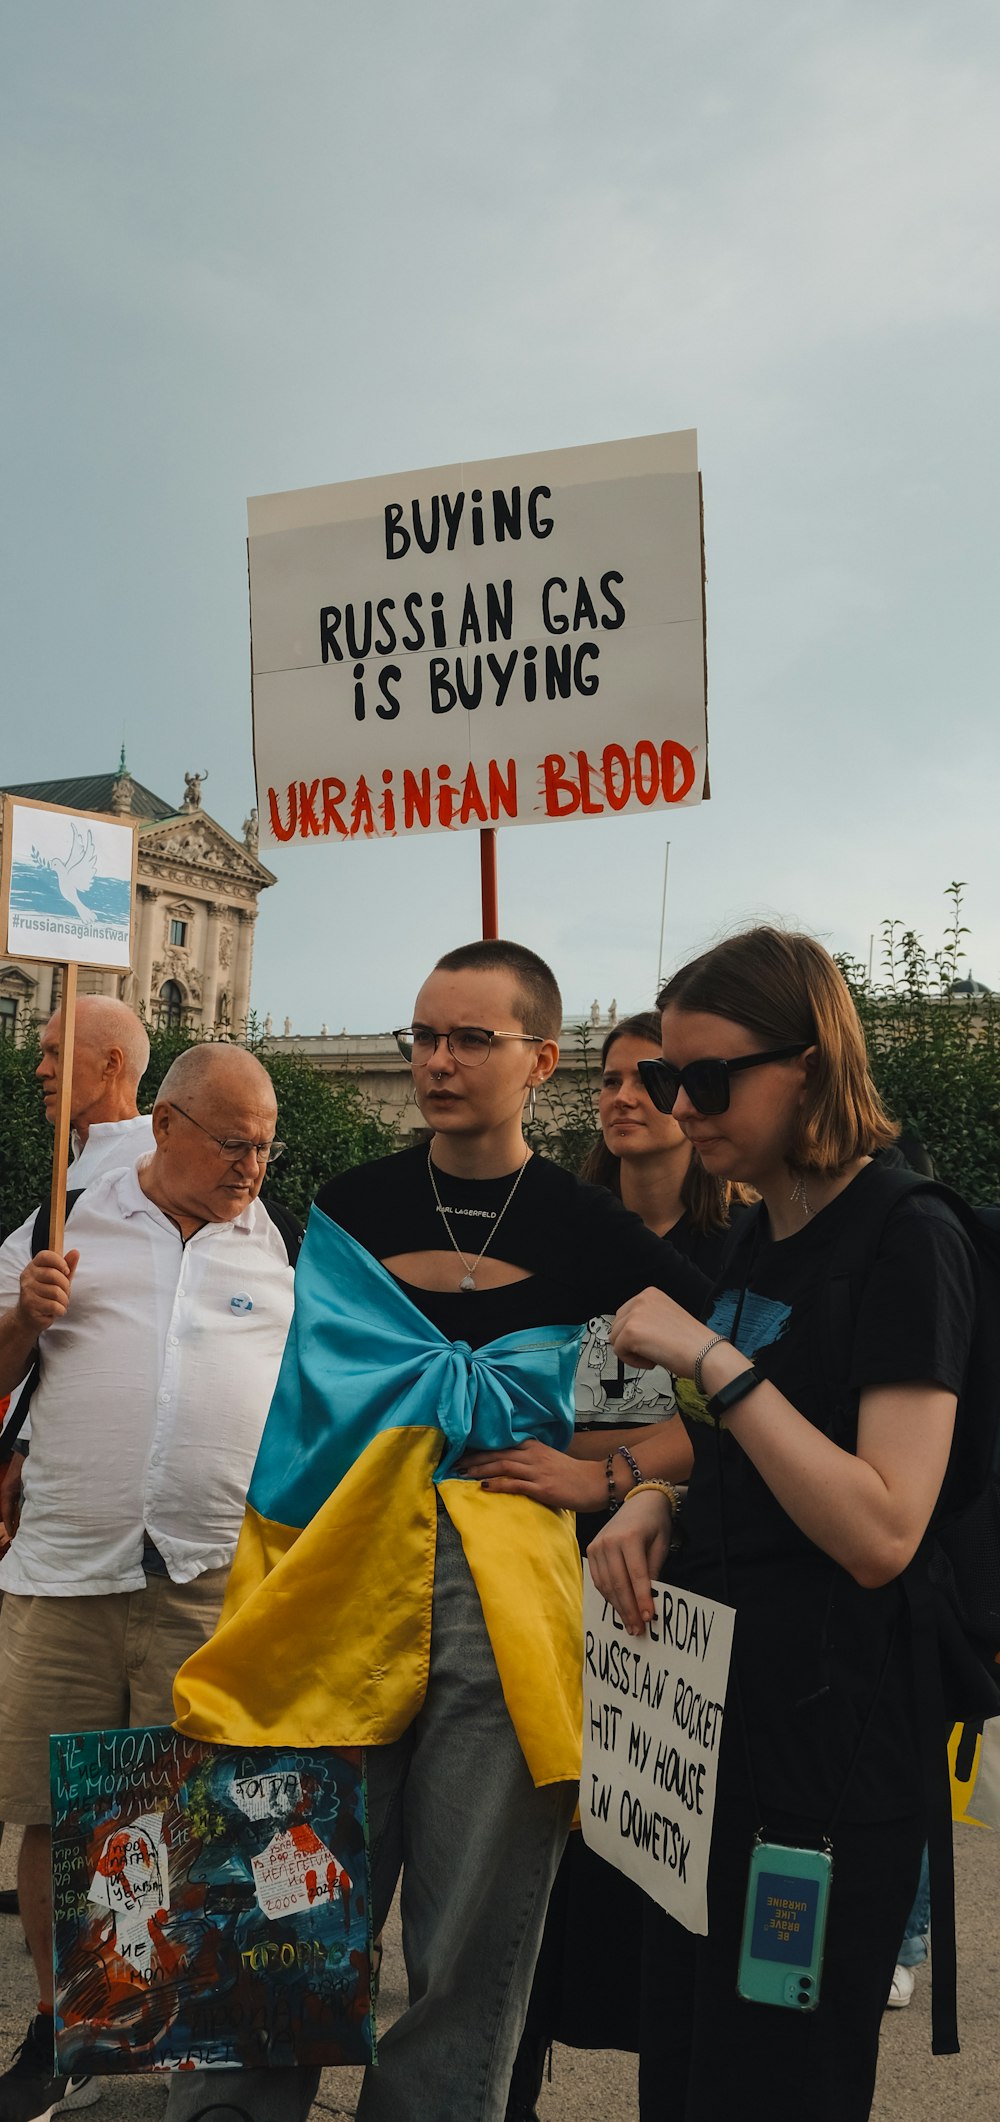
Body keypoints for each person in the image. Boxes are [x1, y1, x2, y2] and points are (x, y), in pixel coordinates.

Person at [170, 941, 710, 2122]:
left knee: (468, 1946)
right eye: (424, 1035)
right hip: (335, 1580)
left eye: (472, 1038)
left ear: (540, 1060)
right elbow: (310, 1422)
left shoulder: (590, 1230)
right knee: (286, 1900)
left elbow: (720, 1398)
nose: (438, 1060)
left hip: (503, 1598)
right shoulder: (350, 1205)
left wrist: (607, 1474)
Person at [586, 928, 977, 2122]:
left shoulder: (907, 1236)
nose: (678, 1103)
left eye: (707, 1077)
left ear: (807, 1066)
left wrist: (707, 1352)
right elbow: (751, 1453)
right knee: (689, 2070)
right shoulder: (760, 1234)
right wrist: (658, 1495)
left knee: (775, 2086)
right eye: (661, 1079)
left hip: (830, 1753)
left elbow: (879, 1525)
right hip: (714, 1734)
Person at [0, 1044, 296, 2122]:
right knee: (56, 1813)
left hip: (207, 1578)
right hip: (68, 1571)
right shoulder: (60, 1223)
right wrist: (24, 1318)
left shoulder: (280, 1246)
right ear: (165, 1125)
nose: (251, 1164)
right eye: (232, 1141)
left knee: (186, 1817)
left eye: (266, 1144)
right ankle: (65, 2022)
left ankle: (174, 2025)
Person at [483, 1011, 744, 2122]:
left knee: (656, 1873)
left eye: (653, 1077)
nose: (624, 1095)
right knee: (530, 1870)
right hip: (537, 1572)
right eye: (609, 1078)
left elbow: (743, 1421)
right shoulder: (557, 1230)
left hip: (667, 1593)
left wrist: (611, 1475)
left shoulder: (735, 1250)